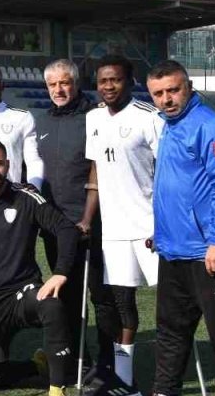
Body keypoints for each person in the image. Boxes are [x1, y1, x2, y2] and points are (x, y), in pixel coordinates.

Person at [147, 60, 215, 396]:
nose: (166, 99)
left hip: (210, 254)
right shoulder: (168, 126)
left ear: (189, 87)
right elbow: (177, 188)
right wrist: (162, 233)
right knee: (170, 334)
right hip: (174, 251)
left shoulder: (209, 125)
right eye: (159, 93)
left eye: (173, 90)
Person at [0, 136, 77, 395]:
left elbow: (66, 229)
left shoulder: (27, 197)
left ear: (9, 164)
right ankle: (36, 365)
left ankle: (58, 388)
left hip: (24, 291)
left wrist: (60, 273)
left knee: (52, 304)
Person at [37, 58, 120, 388]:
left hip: (92, 225)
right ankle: (71, 362)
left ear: (75, 83)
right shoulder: (40, 120)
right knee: (66, 298)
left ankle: (107, 365)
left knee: (102, 297)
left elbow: (99, 170)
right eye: (52, 84)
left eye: (64, 82)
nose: (59, 89)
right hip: (56, 229)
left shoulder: (95, 117)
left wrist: (88, 217)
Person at [85, 53, 162, 394]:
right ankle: (126, 381)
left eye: (114, 79)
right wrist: (87, 218)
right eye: (103, 81)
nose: (108, 86)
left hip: (150, 229)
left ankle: (168, 378)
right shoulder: (93, 118)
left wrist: (165, 224)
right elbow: (96, 171)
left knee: (175, 305)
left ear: (129, 81)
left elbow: (166, 171)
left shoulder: (150, 117)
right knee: (122, 307)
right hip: (114, 232)